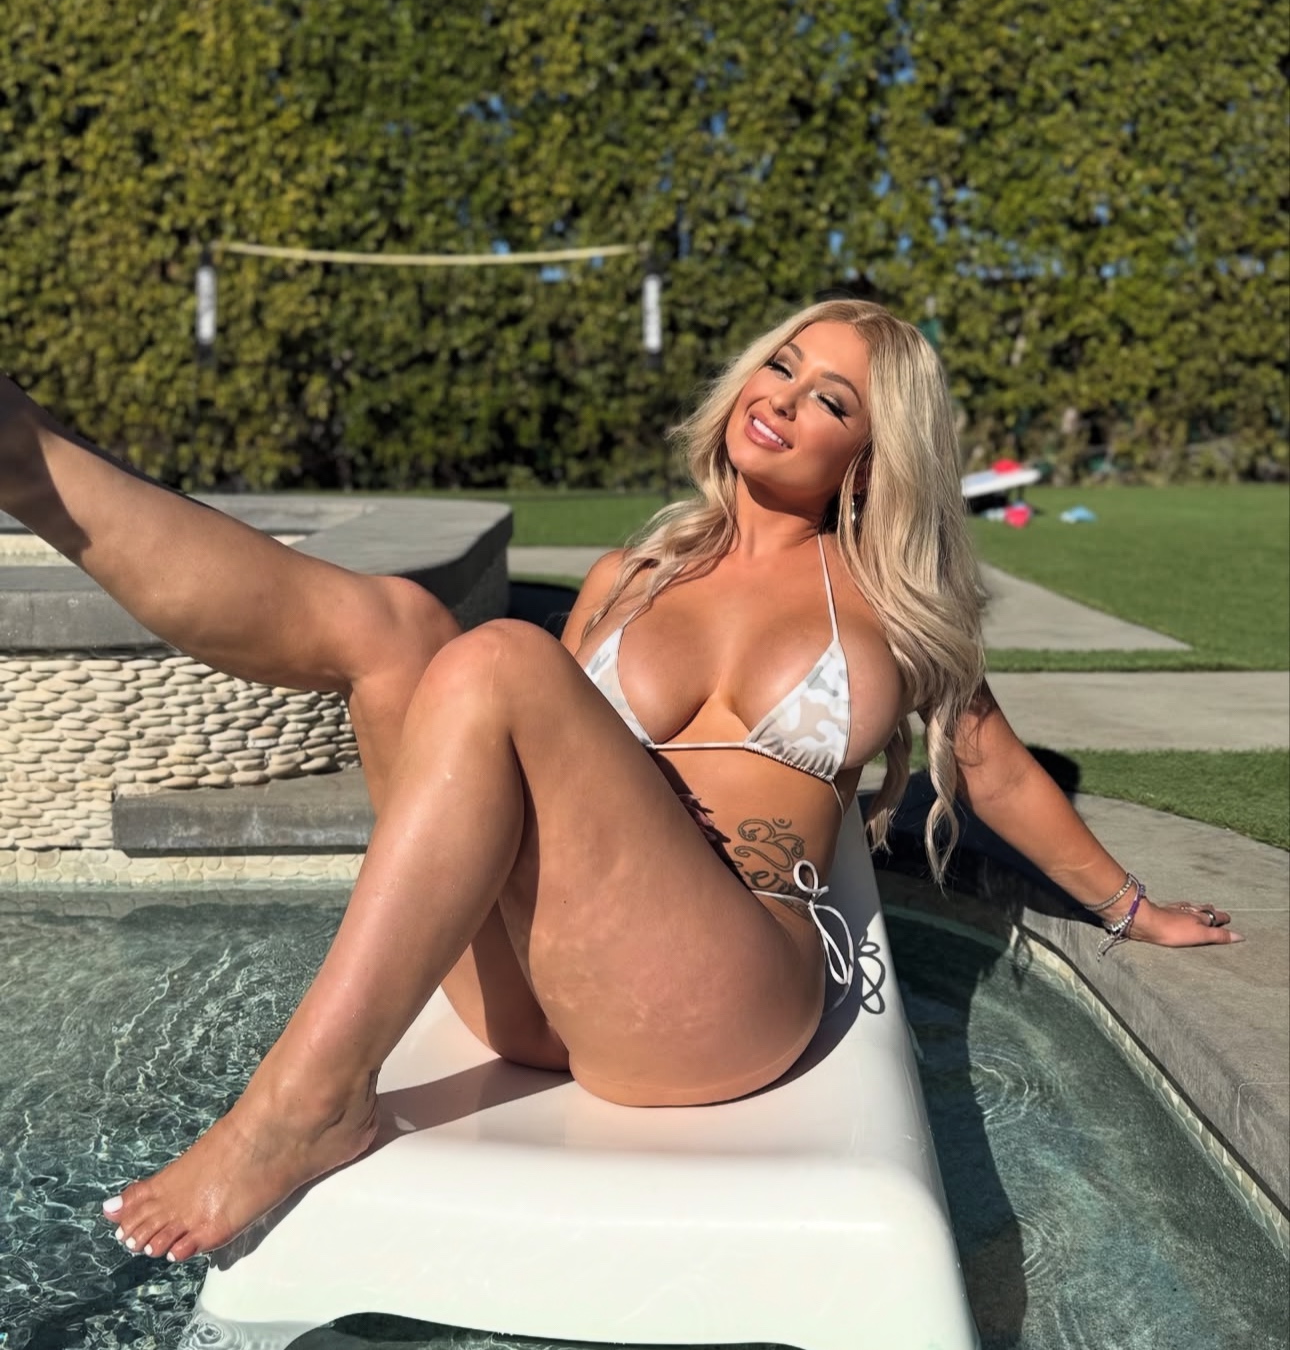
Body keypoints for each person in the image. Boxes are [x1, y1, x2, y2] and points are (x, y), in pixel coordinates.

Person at [0, 299, 1238, 1267]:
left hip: (718, 1000)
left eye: (831, 399)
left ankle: (304, 1101)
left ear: (872, 458)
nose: (783, 398)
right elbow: (553, 787)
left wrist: (1131, 909)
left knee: (498, 656)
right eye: (780, 367)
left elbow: (997, 772)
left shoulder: (894, 611)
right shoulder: (631, 576)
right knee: (394, 626)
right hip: (536, 987)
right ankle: (24, 454)